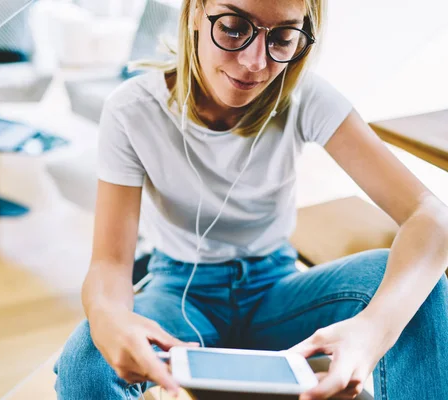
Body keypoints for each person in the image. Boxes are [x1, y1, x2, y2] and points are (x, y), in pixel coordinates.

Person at [54, 0, 448, 398]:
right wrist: (108, 316)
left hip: (275, 290)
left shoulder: (305, 98)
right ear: (194, 12)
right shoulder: (132, 109)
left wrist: (375, 330)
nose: (255, 62)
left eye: (281, 37)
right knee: (86, 359)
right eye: (232, 27)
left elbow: (431, 215)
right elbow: (109, 263)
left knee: (414, 282)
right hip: (181, 292)